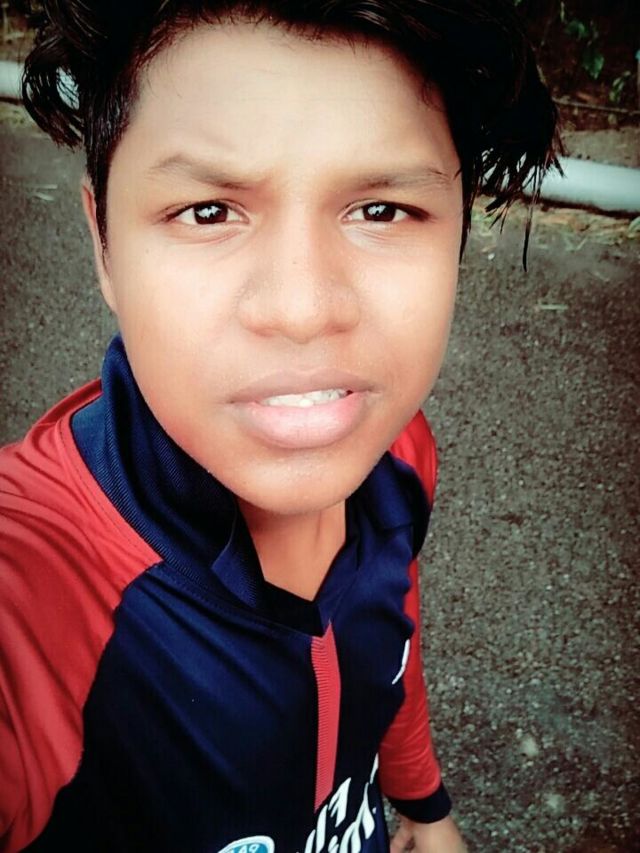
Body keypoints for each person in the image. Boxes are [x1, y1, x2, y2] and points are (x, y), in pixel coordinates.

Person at [0, 1, 558, 850]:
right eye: (208, 211)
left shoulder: (396, 451)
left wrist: (424, 804)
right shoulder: (35, 598)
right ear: (103, 244)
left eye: (381, 210)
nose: (301, 310)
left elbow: (389, 637)